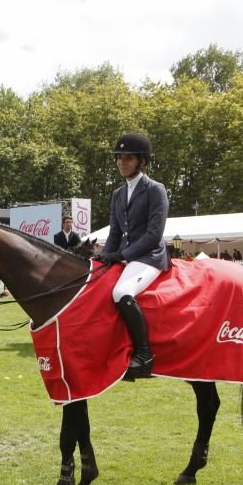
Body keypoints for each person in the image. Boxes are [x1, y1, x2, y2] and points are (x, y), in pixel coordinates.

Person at [95, 132, 170, 380]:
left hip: (149, 256)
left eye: (127, 158)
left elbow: (153, 234)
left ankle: (144, 355)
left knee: (121, 293)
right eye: (118, 158)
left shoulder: (155, 190)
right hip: (127, 255)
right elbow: (115, 232)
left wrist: (122, 255)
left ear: (142, 162)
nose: (121, 163)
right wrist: (105, 258)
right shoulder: (118, 194)